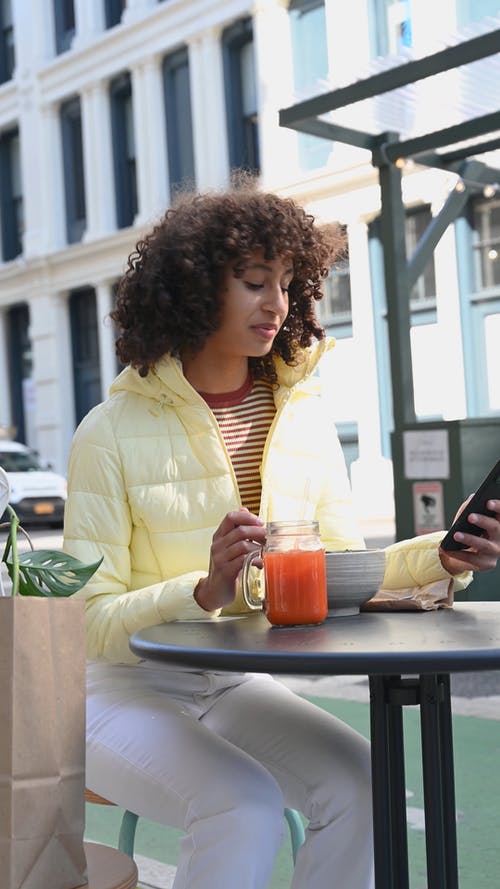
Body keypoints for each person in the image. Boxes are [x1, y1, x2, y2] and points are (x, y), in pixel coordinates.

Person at [63, 178, 500, 889]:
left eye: (290, 283)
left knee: (364, 781)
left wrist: (441, 556)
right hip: (120, 692)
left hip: (232, 682)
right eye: (255, 281)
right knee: (240, 804)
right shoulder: (109, 431)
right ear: (197, 287)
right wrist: (201, 589)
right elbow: (84, 622)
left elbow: (337, 569)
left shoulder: (302, 418)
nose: (278, 303)